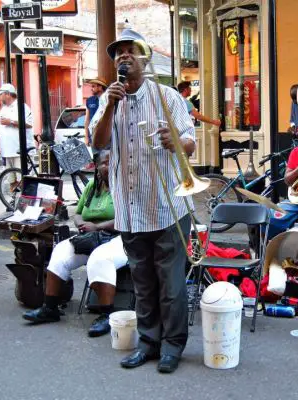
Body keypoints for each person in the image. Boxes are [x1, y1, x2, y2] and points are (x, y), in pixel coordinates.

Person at [91, 29, 196, 374]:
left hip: (166, 207)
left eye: (130, 51)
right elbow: (98, 141)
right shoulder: (112, 99)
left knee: (171, 285)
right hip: (130, 209)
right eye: (118, 53)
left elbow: (191, 142)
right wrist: (109, 106)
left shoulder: (166, 96)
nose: (123, 57)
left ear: (144, 58)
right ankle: (149, 343)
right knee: (143, 283)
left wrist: (175, 142)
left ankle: (173, 346)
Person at [22, 151, 129, 337]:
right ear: (96, 166)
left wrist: (97, 226)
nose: (109, 166)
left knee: (100, 258)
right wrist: (80, 223)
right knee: (61, 251)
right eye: (105, 163)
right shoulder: (91, 187)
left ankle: (107, 315)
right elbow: (78, 212)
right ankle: (50, 308)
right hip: (91, 237)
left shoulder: (126, 188)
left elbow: (127, 219)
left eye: (113, 162)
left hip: (120, 237)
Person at [0, 83, 34, 191]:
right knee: (11, 180)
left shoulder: (22, 107)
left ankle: (24, 203)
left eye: (1, 94)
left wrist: (11, 122)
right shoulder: (3, 109)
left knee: (23, 179)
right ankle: (12, 203)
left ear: (8, 94)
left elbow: (29, 124)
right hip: (7, 150)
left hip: (19, 149)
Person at [84, 77, 108, 147]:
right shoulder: (89, 100)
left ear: (100, 87)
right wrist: (86, 137)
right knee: (96, 157)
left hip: (105, 137)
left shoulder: (108, 100)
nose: (91, 88)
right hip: (92, 136)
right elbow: (87, 120)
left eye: (93, 86)